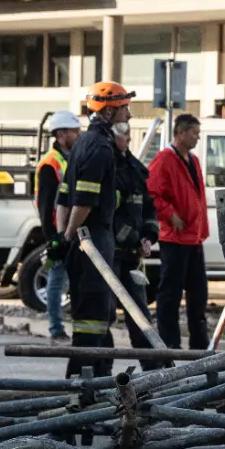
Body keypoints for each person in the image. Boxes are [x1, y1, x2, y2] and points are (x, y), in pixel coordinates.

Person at [61, 82, 135, 378]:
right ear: (110, 109)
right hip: (93, 239)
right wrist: (70, 234)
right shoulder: (101, 148)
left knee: (98, 314)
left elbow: (63, 196)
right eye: (125, 107)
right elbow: (83, 200)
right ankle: (82, 386)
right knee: (93, 315)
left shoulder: (82, 142)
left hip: (86, 238)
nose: (129, 115)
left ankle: (100, 380)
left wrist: (64, 234)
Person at [147, 114, 209, 350]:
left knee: (198, 295)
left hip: (194, 237)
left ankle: (200, 347)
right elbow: (151, 193)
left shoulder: (192, 161)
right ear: (181, 133)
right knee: (170, 295)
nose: (197, 137)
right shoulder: (164, 160)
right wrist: (169, 214)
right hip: (175, 239)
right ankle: (169, 344)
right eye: (194, 132)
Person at [111, 123, 159, 367]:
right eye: (123, 134)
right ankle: (99, 375)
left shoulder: (135, 170)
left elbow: (148, 209)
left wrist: (148, 237)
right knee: (102, 318)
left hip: (131, 256)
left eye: (129, 134)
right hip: (108, 256)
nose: (127, 139)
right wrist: (129, 237)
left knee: (141, 318)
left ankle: (154, 372)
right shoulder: (106, 168)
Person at [35, 109, 82, 342]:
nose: (79, 135)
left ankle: (68, 327)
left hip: (71, 229)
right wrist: (52, 236)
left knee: (70, 280)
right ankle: (56, 329)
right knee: (56, 282)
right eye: (75, 131)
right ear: (62, 134)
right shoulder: (50, 164)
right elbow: (45, 205)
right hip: (59, 231)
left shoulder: (69, 159)